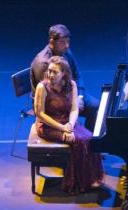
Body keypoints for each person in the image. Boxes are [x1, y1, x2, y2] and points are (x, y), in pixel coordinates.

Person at [34, 56, 104, 194]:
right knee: (76, 141)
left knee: (90, 138)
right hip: (49, 125)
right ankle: (78, 182)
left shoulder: (71, 85)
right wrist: (63, 129)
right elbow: (40, 114)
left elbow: (74, 109)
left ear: (64, 73)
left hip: (67, 120)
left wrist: (70, 125)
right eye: (49, 71)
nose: (50, 75)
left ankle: (92, 177)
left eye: (55, 72)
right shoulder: (42, 87)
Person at [31, 24, 99, 130]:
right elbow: (49, 93)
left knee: (96, 106)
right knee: (73, 121)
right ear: (51, 41)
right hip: (51, 102)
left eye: (68, 42)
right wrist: (73, 104)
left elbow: (77, 74)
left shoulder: (64, 50)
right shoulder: (43, 64)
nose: (67, 45)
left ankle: (91, 141)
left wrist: (79, 96)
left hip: (67, 90)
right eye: (62, 42)